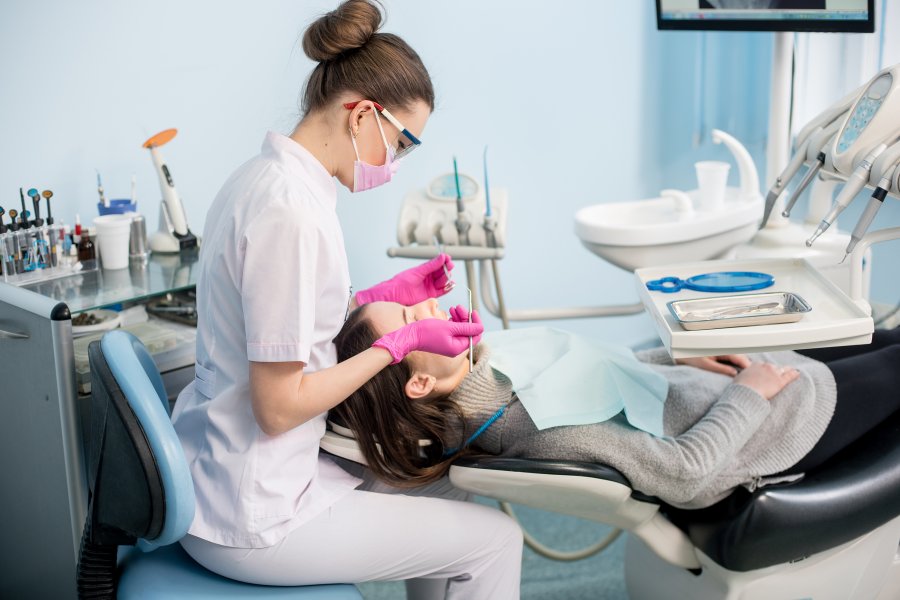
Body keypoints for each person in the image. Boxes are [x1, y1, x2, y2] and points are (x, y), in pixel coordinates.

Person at [171, 1, 522, 597]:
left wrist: (385, 296)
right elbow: (279, 407)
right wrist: (397, 344)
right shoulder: (293, 215)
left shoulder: (263, 179)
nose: (396, 163)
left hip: (226, 471)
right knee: (496, 541)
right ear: (361, 114)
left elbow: (285, 320)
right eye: (402, 143)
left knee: (447, 481)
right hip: (258, 515)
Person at [332, 298, 900, 508]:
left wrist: (667, 359)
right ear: (419, 385)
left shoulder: (494, 368)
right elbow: (684, 473)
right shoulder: (536, 429)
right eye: (410, 320)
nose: (428, 305)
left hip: (732, 383)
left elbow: (594, 376)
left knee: (874, 330)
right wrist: (749, 397)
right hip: (779, 422)